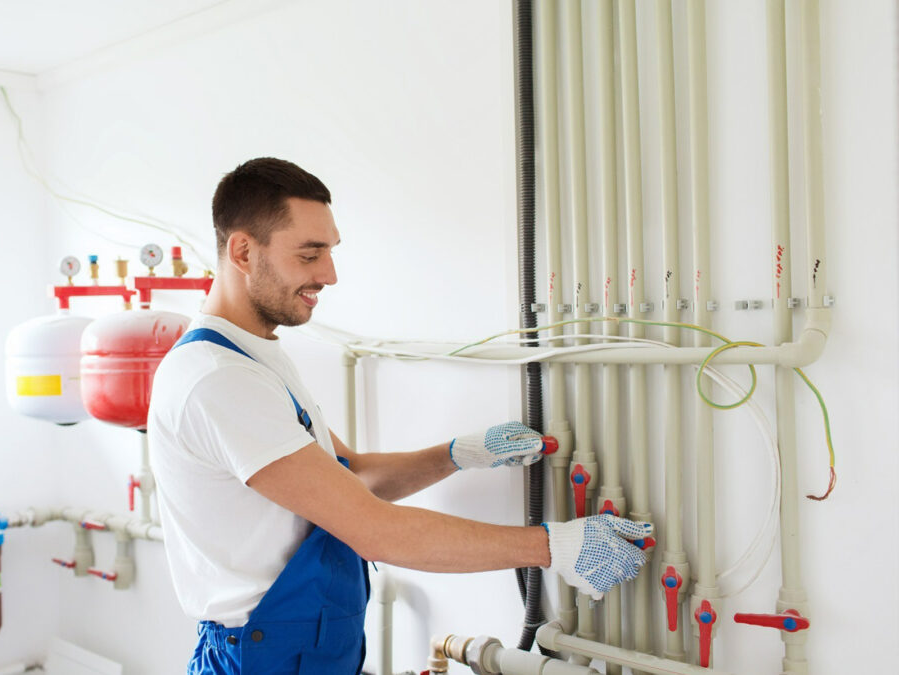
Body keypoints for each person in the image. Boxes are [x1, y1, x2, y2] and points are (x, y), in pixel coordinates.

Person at [147, 158, 653, 675]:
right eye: (309, 254)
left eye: (329, 252)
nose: (329, 274)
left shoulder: (256, 357)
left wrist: (458, 455)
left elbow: (351, 475)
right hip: (260, 657)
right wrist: (553, 546)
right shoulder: (217, 379)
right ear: (243, 251)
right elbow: (374, 530)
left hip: (310, 652)